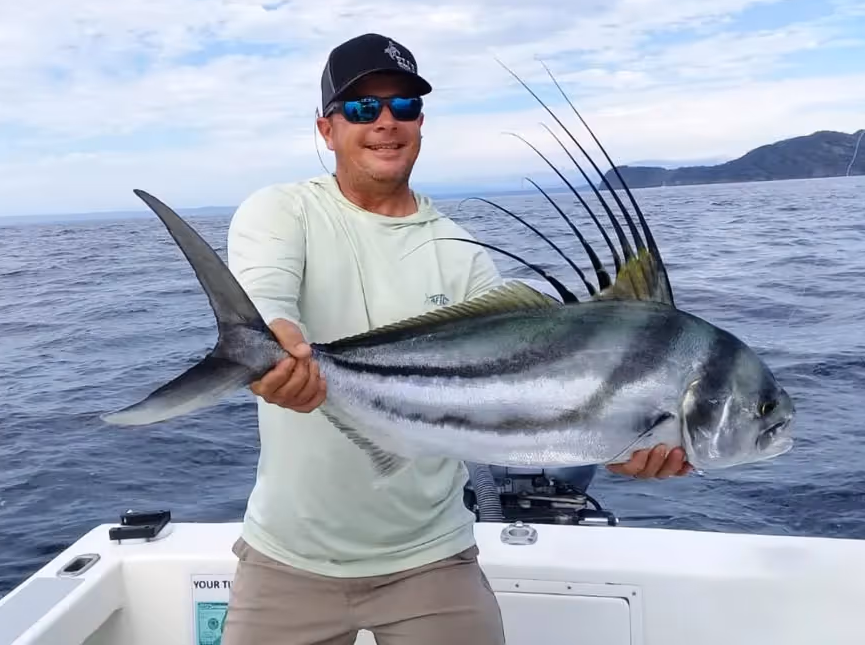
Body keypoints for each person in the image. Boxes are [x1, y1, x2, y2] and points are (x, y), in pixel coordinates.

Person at [220, 33, 690, 645]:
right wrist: (275, 342)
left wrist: (620, 438)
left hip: (432, 560)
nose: (385, 122)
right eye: (362, 107)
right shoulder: (283, 211)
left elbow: (521, 393)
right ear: (326, 128)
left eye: (404, 105)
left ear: (420, 122)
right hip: (287, 560)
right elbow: (266, 295)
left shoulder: (463, 255)